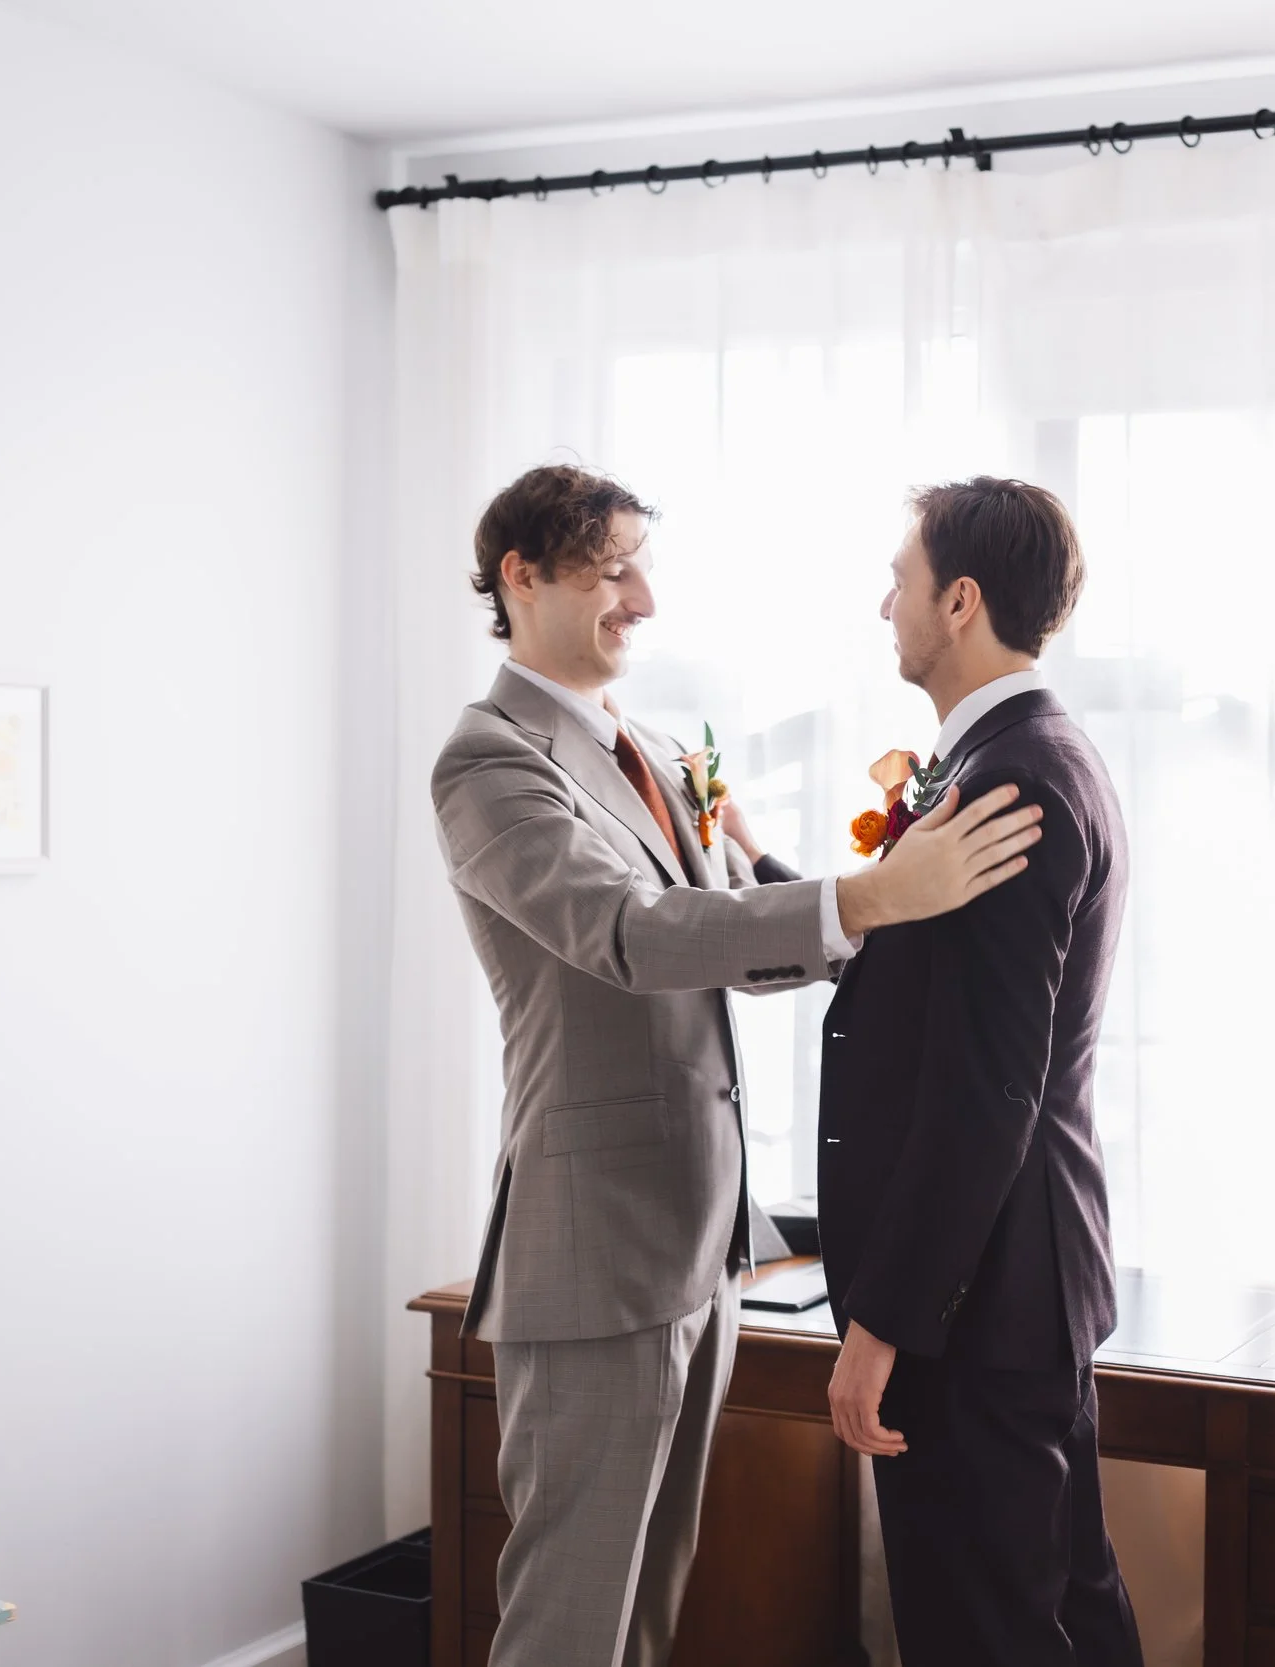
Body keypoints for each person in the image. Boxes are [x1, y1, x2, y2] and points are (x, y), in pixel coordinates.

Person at [429, 462, 1044, 1667]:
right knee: (569, 1620)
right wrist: (872, 893)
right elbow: (631, 935)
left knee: (649, 1605)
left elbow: (740, 933)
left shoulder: (660, 750)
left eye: (642, 570)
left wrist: (886, 911)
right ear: (522, 576)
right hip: (593, 1249)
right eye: (614, 572)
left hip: (704, 1241)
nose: (643, 601)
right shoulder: (488, 763)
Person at [818, 476, 1144, 1667]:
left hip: (977, 1302)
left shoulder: (1011, 782)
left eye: (898, 580)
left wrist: (884, 1323)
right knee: (1061, 1609)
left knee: (988, 1632)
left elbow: (986, 1088)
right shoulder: (1029, 753)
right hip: (1012, 1282)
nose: (884, 605)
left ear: (958, 601)